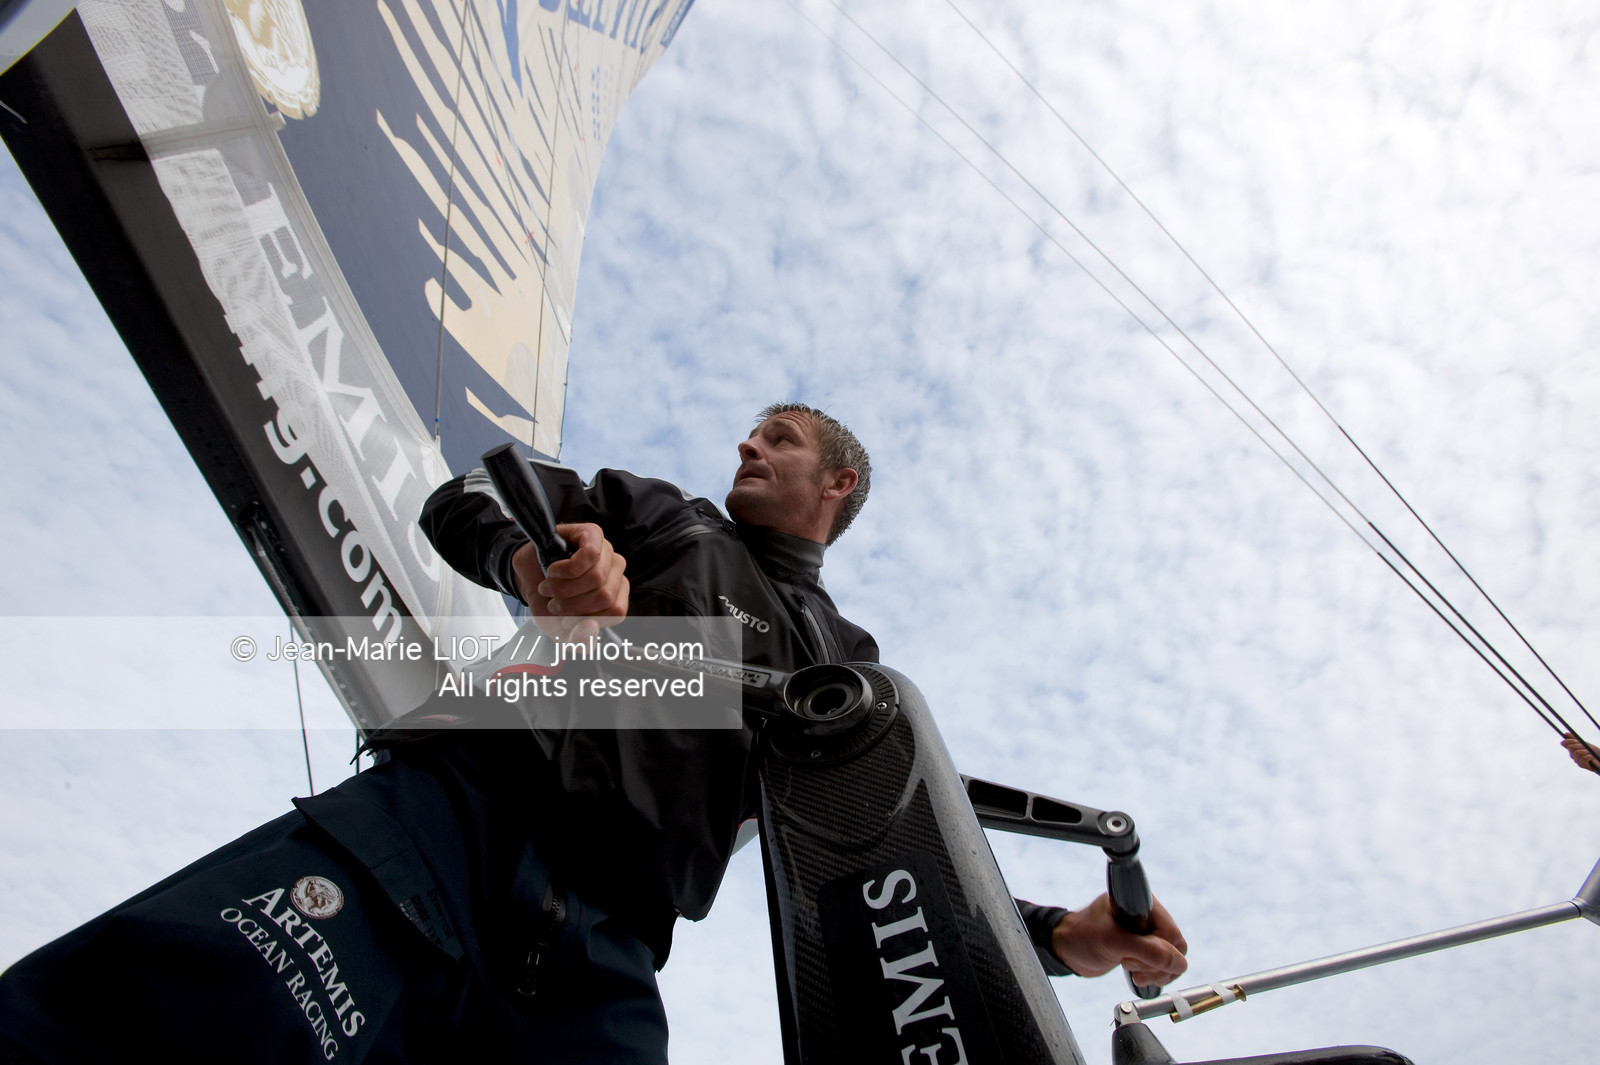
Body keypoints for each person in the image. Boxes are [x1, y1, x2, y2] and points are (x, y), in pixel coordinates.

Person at [0, 403, 1186, 1064]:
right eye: (748, 437)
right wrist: (533, 561)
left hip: (601, 960)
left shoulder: (846, 669)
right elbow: (461, 498)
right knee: (176, 1025)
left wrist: (1046, 935)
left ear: (836, 487)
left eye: (775, 439)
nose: (744, 450)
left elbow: (869, 848)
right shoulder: (668, 519)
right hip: (450, 823)